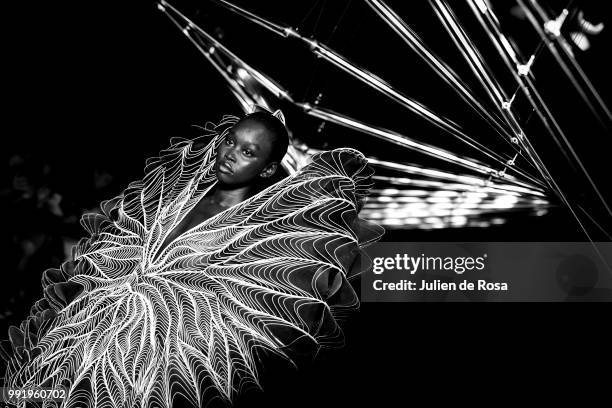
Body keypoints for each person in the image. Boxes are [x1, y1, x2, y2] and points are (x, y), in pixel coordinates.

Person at [1, 109, 384, 408]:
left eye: (248, 152)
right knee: (26, 394)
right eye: (231, 142)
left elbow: (234, 308)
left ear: (267, 169)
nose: (231, 155)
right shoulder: (175, 196)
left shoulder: (247, 232)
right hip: (88, 325)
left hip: (149, 355)